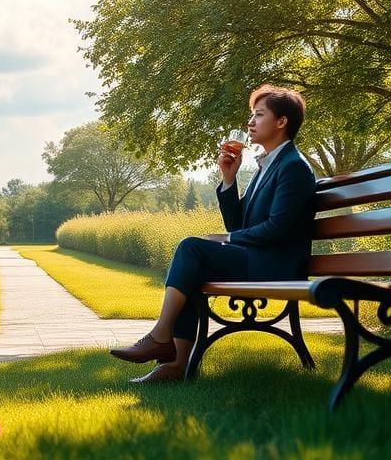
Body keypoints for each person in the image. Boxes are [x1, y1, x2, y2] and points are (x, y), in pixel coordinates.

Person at [109, 84, 317, 383]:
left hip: (276, 265)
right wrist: (228, 179)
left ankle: (161, 337)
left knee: (191, 247)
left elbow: (277, 229)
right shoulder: (266, 167)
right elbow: (240, 226)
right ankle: (176, 364)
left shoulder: (293, 167)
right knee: (193, 262)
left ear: (282, 121)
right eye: (251, 115)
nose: (251, 123)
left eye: (259, 115)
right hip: (258, 259)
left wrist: (228, 240)